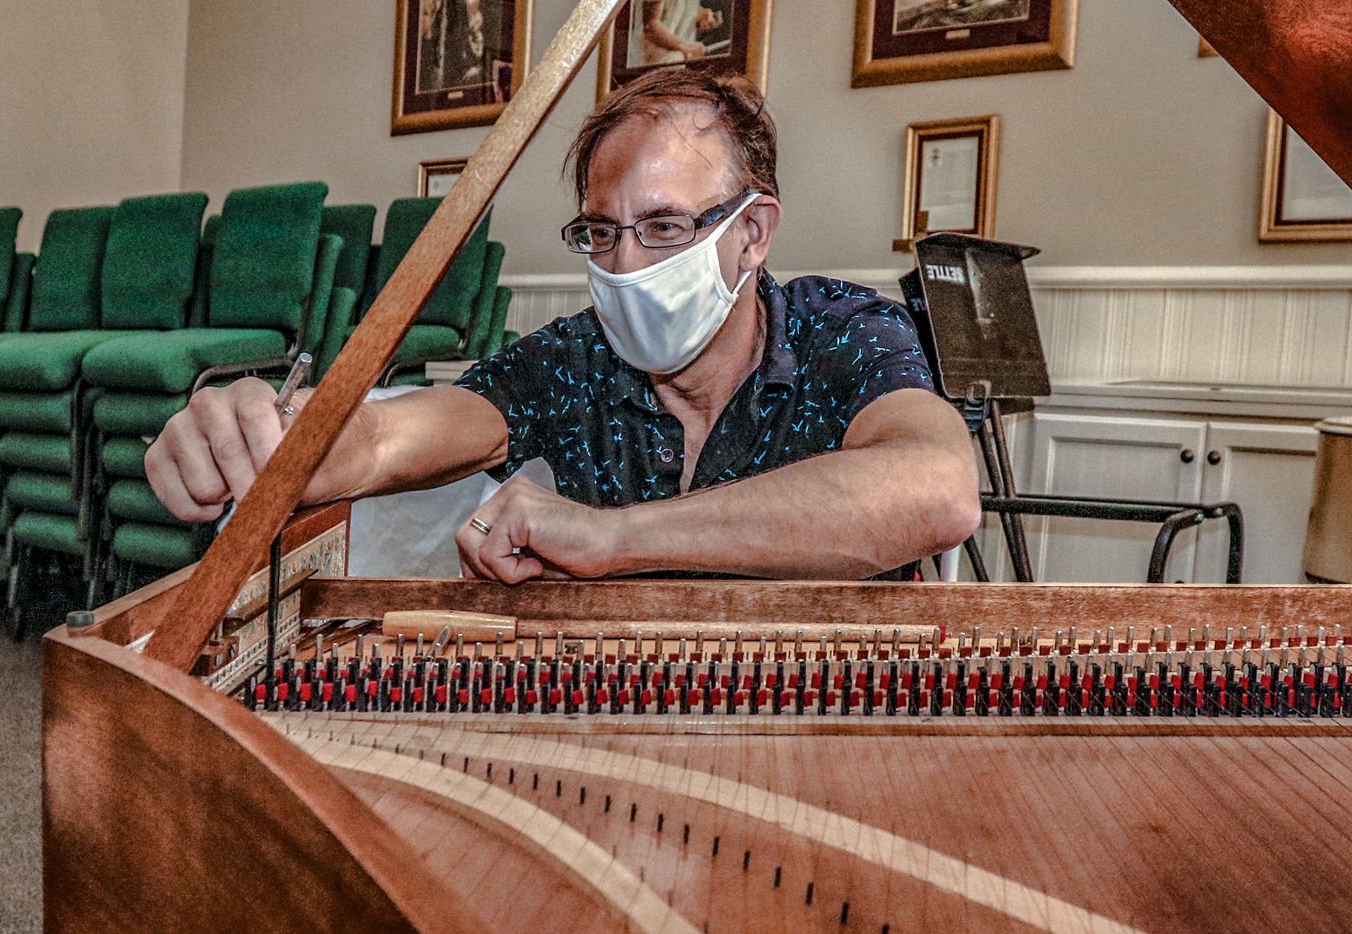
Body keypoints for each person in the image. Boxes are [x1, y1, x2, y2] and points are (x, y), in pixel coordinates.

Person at [144, 69, 980, 584]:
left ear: (752, 235)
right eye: (600, 232)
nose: (624, 266)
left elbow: (937, 489)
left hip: (824, 718)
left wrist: (612, 539)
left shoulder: (843, 330)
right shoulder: (573, 359)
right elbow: (383, 441)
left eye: (663, 227)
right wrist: (273, 439)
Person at [630, 0, 722, 65]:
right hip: (646, 64)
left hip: (672, 62)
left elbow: (674, 10)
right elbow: (651, 27)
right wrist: (687, 48)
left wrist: (700, 15)